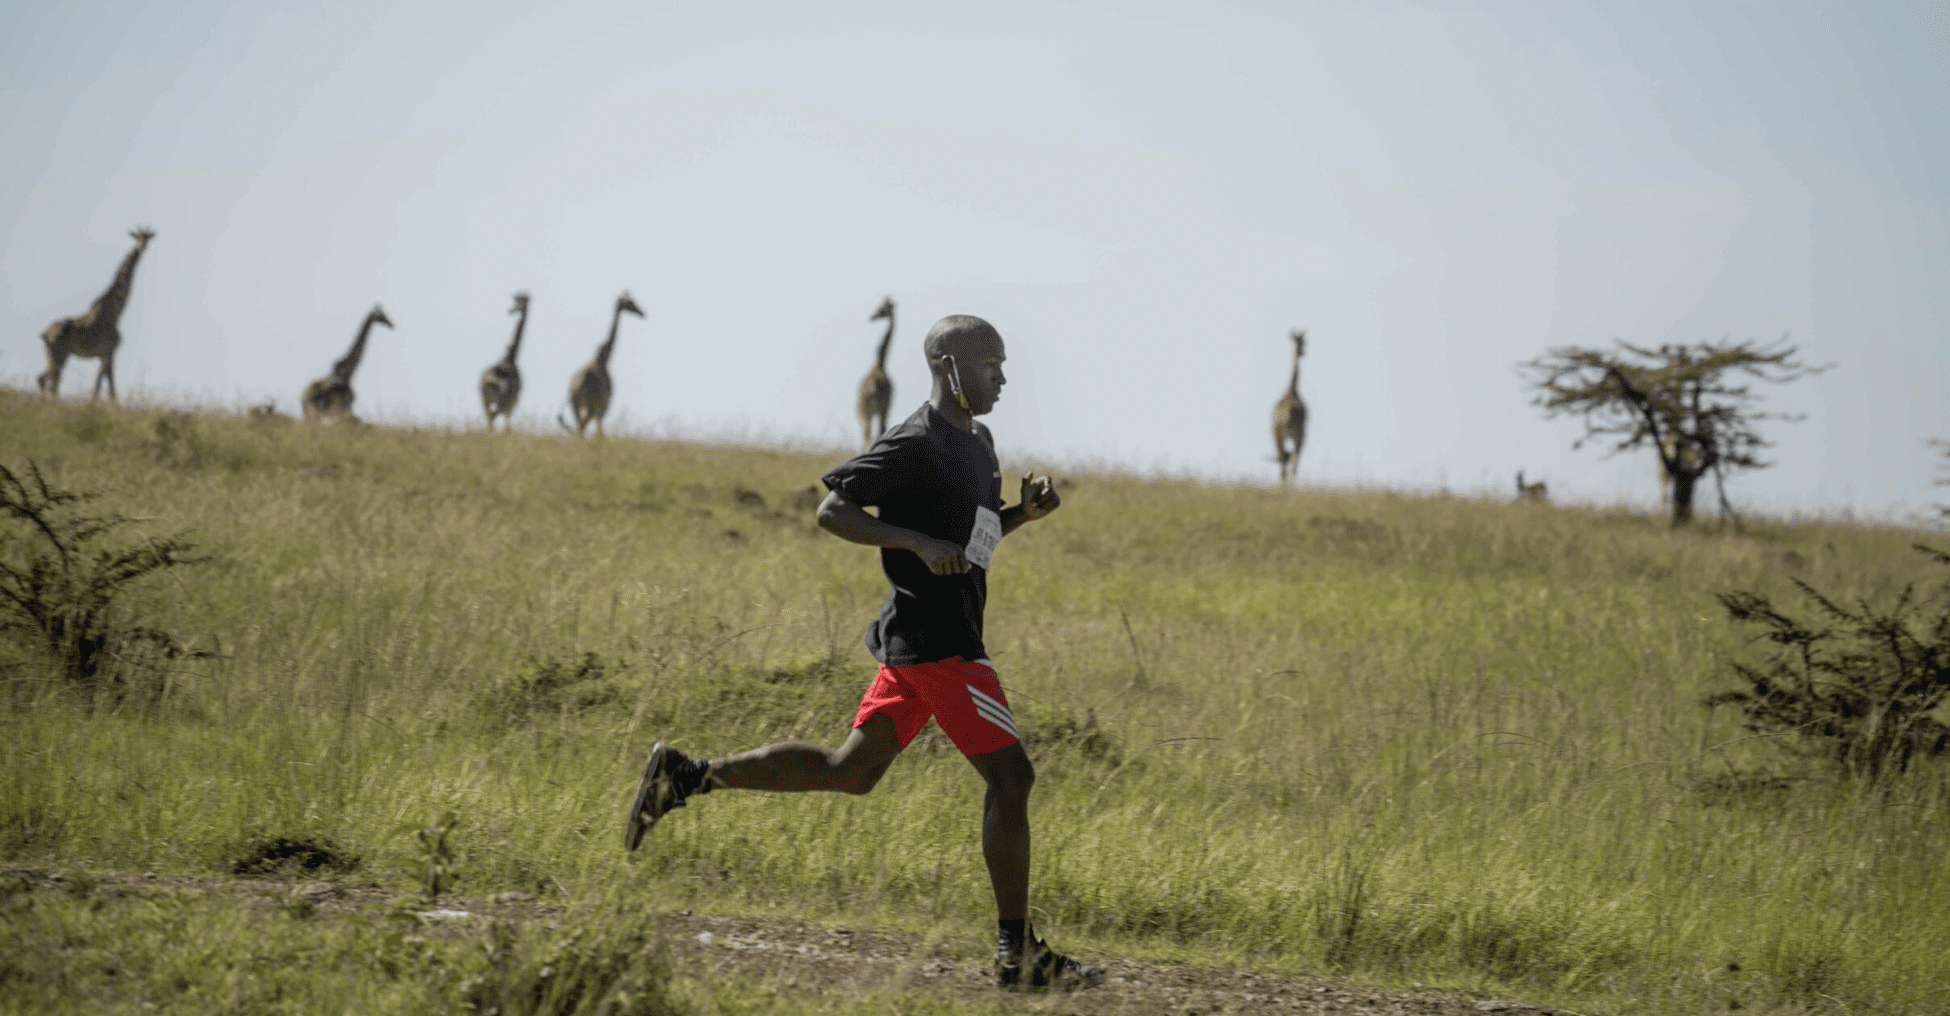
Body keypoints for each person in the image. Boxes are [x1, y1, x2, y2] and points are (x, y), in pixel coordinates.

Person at [625, 314, 1104, 991]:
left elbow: (971, 546)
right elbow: (831, 512)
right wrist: (913, 543)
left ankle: (685, 776)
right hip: (941, 648)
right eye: (988, 364)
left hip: (921, 641)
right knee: (1012, 780)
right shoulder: (912, 443)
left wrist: (1021, 516)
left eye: (1002, 364)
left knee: (851, 770)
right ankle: (1016, 954)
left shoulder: (980, 443)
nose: (1002, 376)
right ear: (947, 366)